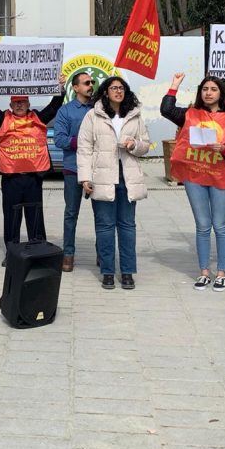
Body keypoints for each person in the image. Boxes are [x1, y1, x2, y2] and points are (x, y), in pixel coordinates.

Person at [161, 74, 225, 292]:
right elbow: (166, 110)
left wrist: (224, 149)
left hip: (220, 177)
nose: (208, 93)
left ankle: (221, 273)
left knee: (221, 225)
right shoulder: (190, 114)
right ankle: (204, 272)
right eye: (205, 89)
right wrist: (174, 85)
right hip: (194, 176)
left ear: (221, 93)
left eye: (213, 89)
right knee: (202, 225)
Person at [76, 76, 150, 290]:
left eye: (121, 88)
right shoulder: (93, 115)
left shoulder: (134, 115)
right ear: (105, 92)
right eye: (114, 88)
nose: (118, 91)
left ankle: (127, 272)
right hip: (101, 177)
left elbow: (145, 145)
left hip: (128, 178)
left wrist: (134, 144)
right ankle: (107, 272)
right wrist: (85, 178)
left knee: (127, 226)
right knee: (105, 227)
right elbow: (84, 149)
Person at [0, 76, 66, 257]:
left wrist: (60, 88)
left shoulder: (38, 117)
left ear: (28, 104)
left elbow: (54, 107)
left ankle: (38, 251)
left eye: (22, 102)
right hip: (11, 178)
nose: (19, 105)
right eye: (16, 102)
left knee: (35, 216)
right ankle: (12, 255)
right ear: (11, 105)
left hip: (33, 178)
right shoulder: (3, 118)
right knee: (11, 217)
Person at [54, 71, 98, 272]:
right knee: (71, 213)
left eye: (92, 82)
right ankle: (68, 254)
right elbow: (60, 139)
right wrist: (84, 141)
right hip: (73, 169)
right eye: (87, 83)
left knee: (102, 215)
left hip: (97, 169)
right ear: (75, 87)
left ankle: (102, 253)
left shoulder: (99, 109)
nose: (91, 85)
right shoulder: (65, 111)